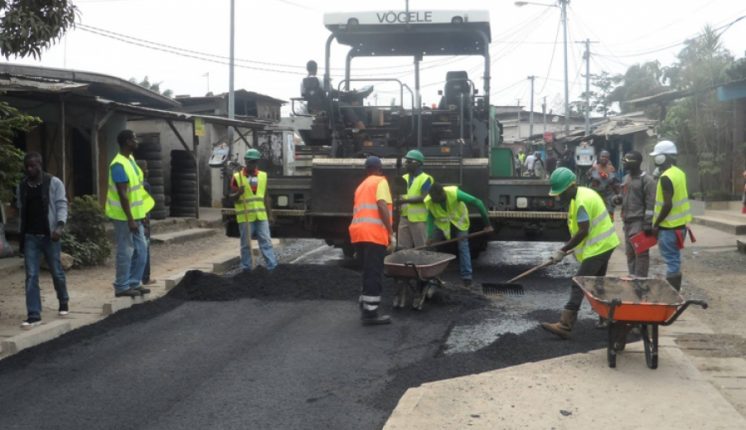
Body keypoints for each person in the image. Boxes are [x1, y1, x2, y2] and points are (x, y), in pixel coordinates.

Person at [540, 167, 620, 339]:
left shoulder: (582, 202)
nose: (559, 197)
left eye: (561, 193)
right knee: (597, 283)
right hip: (605, 243)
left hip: (599, 246)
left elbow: (583, 231)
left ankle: (565, 325)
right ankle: (607, 318)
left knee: (579, 283)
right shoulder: (581, 194)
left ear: (571, 186)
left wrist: (562, 251)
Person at [15, 152, 70, 328]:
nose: (29, 169)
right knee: (31, 275)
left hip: (49, 235)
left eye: (33, 166)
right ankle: (34, 314)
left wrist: (59, 226)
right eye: (27, 166)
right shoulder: (22, 186)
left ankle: (63, 300)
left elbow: (61, 205)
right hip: (30, 236)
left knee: (56, 272)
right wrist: (21, 234)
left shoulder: (54, 183)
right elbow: (21, 209)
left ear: (40, 164)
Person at [105, 130, 154, 298]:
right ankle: (121, 286)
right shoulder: (118, 165)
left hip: (137, 215)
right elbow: (123, 194)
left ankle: (134, 282)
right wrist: (131, 219)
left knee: (142, 250)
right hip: (124, 217)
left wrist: (142, 214)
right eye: (134, 138)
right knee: (125, 251)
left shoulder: (130, 160)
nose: (137, 141)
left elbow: (137, 191)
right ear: (127, 142)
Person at [349, 156, 394, 325]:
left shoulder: (361, 186)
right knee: (374, 273)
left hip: (358, 234)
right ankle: (371, 313)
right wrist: (390, 232)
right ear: (380, 169)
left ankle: (365, 305)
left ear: (366, 170)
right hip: (373, 235)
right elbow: (382, 205)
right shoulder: (380, 182)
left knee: (367, 271)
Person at [424, 183, 493, 288]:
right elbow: (430, 218)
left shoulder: (454, 193)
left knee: (463, 246)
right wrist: (430, 236)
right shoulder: (430, 200)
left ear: (442, 194)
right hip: (442, 224)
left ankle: (467, 278)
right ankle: (431, 277)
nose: (434, 201)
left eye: (436, 200)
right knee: (431, 247)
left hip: (459, 222)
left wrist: (487, 225)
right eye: (433, 199)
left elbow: (478, 202)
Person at [649, 140, 692, 291]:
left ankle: (673, 294)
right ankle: (675, 292)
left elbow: (667, 205)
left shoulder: (666, 177)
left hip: (669, 227)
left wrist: (656, 224)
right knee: (675, 259)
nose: (655, 159)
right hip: (681, 226)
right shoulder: (679, 173)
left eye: (657, 156)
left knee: (672, 261)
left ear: (663, 157)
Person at [230, 149, 278, 272]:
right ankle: (246, 269)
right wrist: (238, 193)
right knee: (246, 244)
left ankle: (272, 267)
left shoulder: (263, 176)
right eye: (250, 161)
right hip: (245, 216)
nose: (252, 164)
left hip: (261, 216)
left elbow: (266, 196)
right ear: (246, 161)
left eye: (254, 162)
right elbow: (231, 198)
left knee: (266, 242)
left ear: (257, 162)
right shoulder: (237, 177)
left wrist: (270, 214)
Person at [613, 151, 656, 278]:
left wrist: (648, 223)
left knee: (641, 254)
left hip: (639, 222)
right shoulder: (626, 178)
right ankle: (632, 279)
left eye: (627, 161)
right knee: (630, 254)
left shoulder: (647, 180)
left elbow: (650, 203)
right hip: (627, 222)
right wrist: (618, 198)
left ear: (637, 162)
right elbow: (624, 195)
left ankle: (640, 281)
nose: (624, 163)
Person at [396, 149, 433, 249]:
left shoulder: (425, 178)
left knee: (421, 248)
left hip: (419, 220)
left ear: (418, 164)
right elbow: (399, 195)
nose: (406, 164)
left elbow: (424, 197)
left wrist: (404, 201)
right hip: (404, 218)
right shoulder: (404, 178)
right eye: (406, 161)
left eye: (409, 161)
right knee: (402, 249)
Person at [135, 160, 153, 285]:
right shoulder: (145, 185)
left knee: (137, 249)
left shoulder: (134, 184)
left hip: (137, 218)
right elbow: (146, 204)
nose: (147, 170)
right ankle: (145, 277)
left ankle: (139, 277)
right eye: (145, 168)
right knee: (145, 248)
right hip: (144, 220)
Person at [587, 149, 619, 218]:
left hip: (609, 196)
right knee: (596, 215)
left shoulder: (612, 169)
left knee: (609, 215)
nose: (604, 158)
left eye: (606, 157)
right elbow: (588, 180)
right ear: (599, 157)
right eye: (602, 156)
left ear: (608, 158)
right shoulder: (594, 168)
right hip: (596, 195)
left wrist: (618, 195)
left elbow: (615, 183)